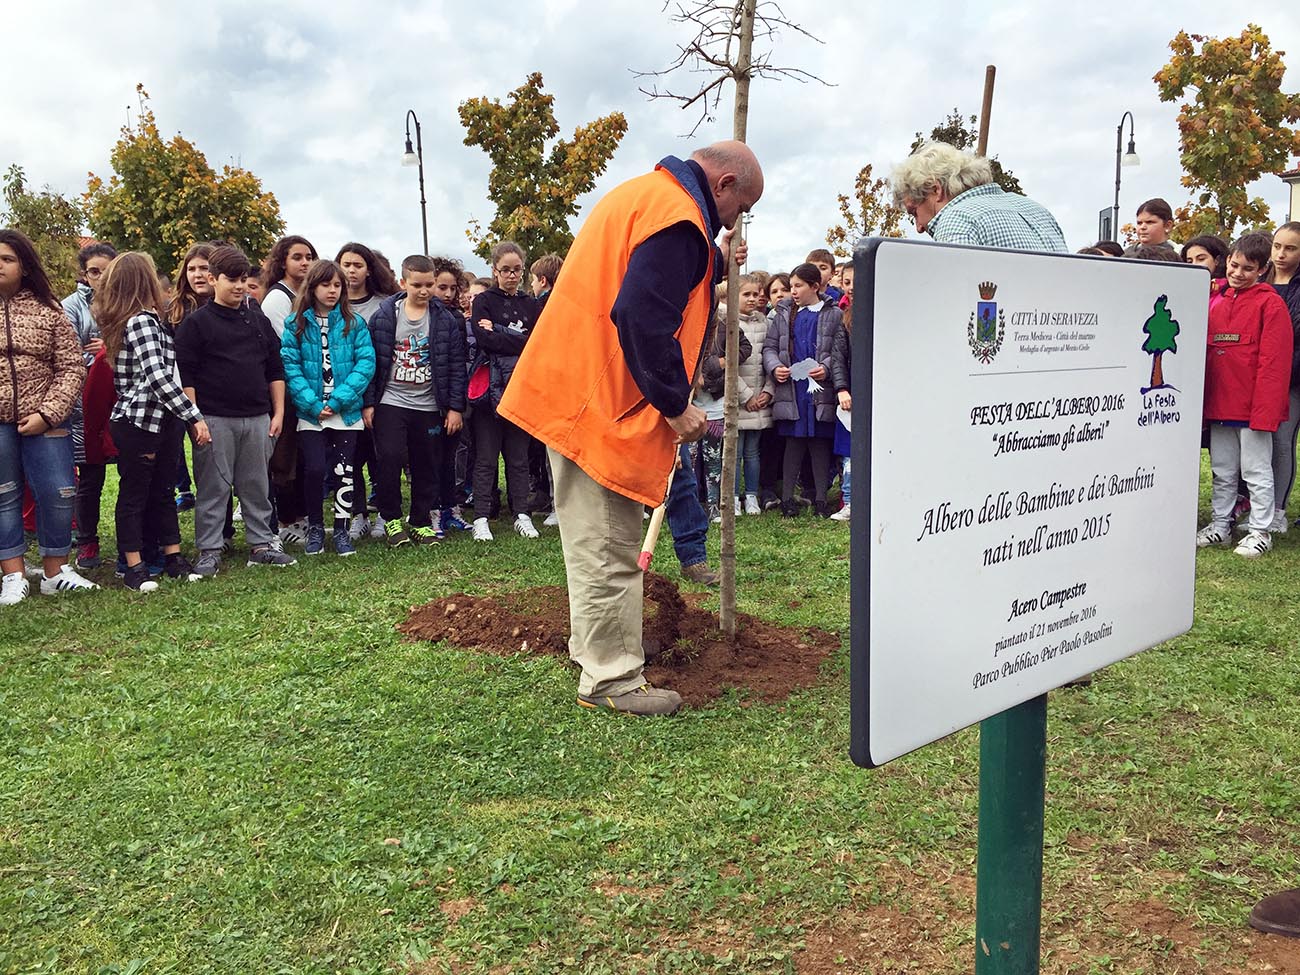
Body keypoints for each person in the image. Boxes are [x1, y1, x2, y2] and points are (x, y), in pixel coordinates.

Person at [498, 140, 761, 716]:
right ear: (721, 185)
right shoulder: (679, 219)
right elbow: (640, 314)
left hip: (575, 388)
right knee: (609, 544)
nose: (736, 221)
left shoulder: (647, 198)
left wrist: (718, 261)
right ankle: (610, 678)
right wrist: (673, 403)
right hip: (599, 401)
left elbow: (659, 275)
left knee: (593, 539)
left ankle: (593, 648)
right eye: (741, 207)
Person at [175, 245, 295, 576]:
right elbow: (187, 376)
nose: (239, 286)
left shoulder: (257, 320)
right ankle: (210, 549)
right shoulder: (195, 325)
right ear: (213, 280)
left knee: (256, 485)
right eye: (232, 280)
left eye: (244, 280)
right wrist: (195, 418)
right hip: (213, 420)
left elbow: (275, 369)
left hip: (258, 417)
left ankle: (261, 545)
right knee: (213, 487)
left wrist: (279, 412)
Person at [95, 251, 210, 591]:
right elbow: (158, 376)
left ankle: (172, 556)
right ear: (144, 282)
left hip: (163, 420)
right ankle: (134, 566)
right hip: (140, 421)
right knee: (135, 494)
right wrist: (194, 416)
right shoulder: (141, 321)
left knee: (161, 491)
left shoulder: (142, 321)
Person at [0, 229, 97, 604]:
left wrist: (47, 413)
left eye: (7, 259)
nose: (0, 266)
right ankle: (13, 574)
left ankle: (56, 572)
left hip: (46, 420)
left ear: (24, 266)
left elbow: (72, 367)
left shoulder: (49, 309)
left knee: (58, 493)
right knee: (4, 495)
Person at [1195, 232, 1293, 558]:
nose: (1238, 273)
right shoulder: (1215, 299)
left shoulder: (1271, 304)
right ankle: (1220, 525)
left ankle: (1260, 530)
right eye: (1234, 265)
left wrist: (1264, 412)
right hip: (1220, 402)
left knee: (1255, 470)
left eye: (1247, 269)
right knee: (1222, 469)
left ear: (1262, 270)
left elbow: (1274, 364)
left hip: (1252, 406)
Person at [364, 254, 466, 547]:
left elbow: (456, 365)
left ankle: (421, 520)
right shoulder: (384, 316)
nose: (424, 291)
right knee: (390, 458)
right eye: (417, 285)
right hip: (391, 401)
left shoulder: (445, 320)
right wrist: (369, 402)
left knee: (427, 464)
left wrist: (455, 407)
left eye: (429, 285)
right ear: (403, 282)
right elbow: (373, 362)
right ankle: (391, 519)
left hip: (429, 404)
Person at [280, 260, 375, 557]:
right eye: (326, 285)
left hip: (345, 413)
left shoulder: (354, 323)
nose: (332, 290)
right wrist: (311, 402)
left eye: (337, 285)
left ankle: (343, 530)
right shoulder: (295, 324)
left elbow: (365, 363)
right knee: (315, 470)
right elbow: (290, 367)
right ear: (312, 287)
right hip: (311, 415)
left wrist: (337, 401)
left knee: (344, 471)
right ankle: (317, 528)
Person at [469, 241, 541, 541]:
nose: (511, 276)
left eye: (516, 270)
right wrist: (516, 337)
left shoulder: (530, 303)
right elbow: (483, 340)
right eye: (505, 270)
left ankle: (521, 513)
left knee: (518, 458)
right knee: (486, 457)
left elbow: (537, 342)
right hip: (489, 392)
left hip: (520, 390)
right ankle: (481, 517)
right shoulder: (483, 301)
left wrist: (499, 331)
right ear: (494, 270)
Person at [764, 262, 842, 518]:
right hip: (792, 391)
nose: (793, 291)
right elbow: (770, 348)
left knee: (819, 443)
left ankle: (821, 499)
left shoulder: (832, 313)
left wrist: (826, 367)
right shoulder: (784, 314)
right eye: (791, 286)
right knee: (793, 443)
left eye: (798, 286)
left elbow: (839, 351)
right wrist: (776, 368)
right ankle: (787, 499)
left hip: (819, 391)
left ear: (815, 287)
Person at [892, 141, 1067, 251]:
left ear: (936, 190)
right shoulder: (1039, 212)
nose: (919, 227)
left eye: (914, 212)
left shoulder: (956, 222)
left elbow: (954, 302)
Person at [335, 242, 398, 543]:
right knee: (350, 458)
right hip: (344, 396)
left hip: (381, 393)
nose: (351, 271)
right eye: (345, 264)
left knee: (383, 456)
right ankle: (358, 513)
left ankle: (386, 513)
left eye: (357, 265)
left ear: (369, 269)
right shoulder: (331, 303)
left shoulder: (385, 304)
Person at [62, 242, 118, 568]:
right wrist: (99, 352)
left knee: (134, 472)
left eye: (106, 270)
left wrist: (108, 346)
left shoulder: (127, 301)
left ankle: (134, 537)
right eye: (94, 271)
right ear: (85, 274)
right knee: (91, 476)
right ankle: (87, 542)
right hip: (87, 404)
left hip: (124, 400)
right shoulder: (70, 307)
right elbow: (68, 353)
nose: (100, 277)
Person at [260, 235, 317, 545]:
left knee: (304, 459)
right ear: (283, 261)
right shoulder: (277, 299)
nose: (304, 262)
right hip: (287, 387)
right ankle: (286, 522)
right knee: (284, 460)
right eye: (297, 257)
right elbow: (285, 348)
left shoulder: (307, 294)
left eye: (309, 256)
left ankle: (303, 518)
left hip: (308, 388)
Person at [167, 243, 214, 511]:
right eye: (192, 268)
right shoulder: (174, 309)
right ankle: (184, 489)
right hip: (180, 392)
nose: (197, 274)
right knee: (183, 451)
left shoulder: (232, 305)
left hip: (216, 392)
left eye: (204, 268)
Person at [696, 305, 752, 522]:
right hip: (690, 406)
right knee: (690, 460)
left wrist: (716, 364)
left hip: (716, 405)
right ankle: (691, 505)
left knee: (712, 459)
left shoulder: (726, 327)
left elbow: (744, 348)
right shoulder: (684, 326)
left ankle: (714, 506)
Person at [1266, 222, 1300, 531]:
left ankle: (1278, 509)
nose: (1281, 253)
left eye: (1290, 248)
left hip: (1292, 380)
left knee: (1282, 442)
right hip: (1260, 377)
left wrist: (1284, 375)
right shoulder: (1260, 278)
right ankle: (1256, 505)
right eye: (1278, 246)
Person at [733, 274, 775, 515]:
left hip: (760, 399)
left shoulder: (764, 323)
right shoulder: (727, 322)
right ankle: (733, 496)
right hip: (740, 399)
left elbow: (769, 358)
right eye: (746, 294)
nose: (752, 299)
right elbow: (730, 365)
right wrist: (745, 395)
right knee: (735, 452)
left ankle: (751, 496)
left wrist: (767, 392)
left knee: (752, 452)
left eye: (756, 294)